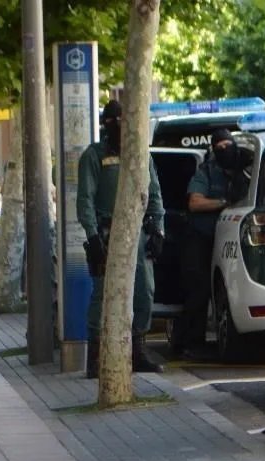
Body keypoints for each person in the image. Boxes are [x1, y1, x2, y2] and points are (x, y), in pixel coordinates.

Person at [76, 99, 165, 379]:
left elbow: (154, 194)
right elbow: (85, 200)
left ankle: (137, 349)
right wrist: (93, 238)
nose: (121, 127)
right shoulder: (94, 155)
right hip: (107, 234)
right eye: (116, 121)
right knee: (103, 293)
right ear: (107, 123)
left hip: (138, 234)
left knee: (144, 291)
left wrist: (159, 230)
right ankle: (96, 355)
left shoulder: (141, 155)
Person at [174, 129, 249, 358]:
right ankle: (187, 344)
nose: (225, 150)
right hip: (199, 238)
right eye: (220, 147)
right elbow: (195, 203)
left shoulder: (245, 171)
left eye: (228, 145)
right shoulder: (206, 171)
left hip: (228, 240)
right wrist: (224, 202)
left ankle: (197, 341)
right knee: (198, 290)